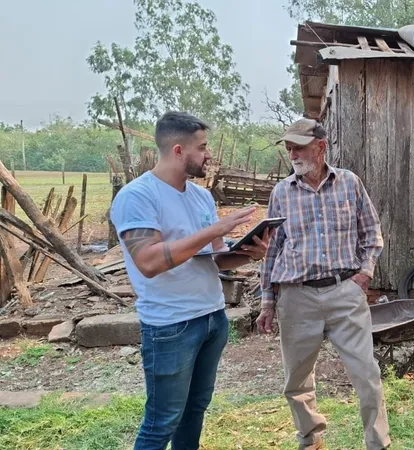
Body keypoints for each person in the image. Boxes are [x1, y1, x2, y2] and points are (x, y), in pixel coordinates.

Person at [110, 111, 270, 450]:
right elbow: (149, 262)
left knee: (195, 409)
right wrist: (216, 229)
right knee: (161, 420)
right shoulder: (137, 196)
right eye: (203, 147)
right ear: (179, 150)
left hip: (212, 317)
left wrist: (248, 252)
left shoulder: (201, 197)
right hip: (170, 325)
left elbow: (216, 258)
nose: (209, 155)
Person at [256, 118, 391, 450]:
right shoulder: (281, 193)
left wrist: (364, 274)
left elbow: (371, 233)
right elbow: (271, 250)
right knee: (297, 381)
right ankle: (310, 440)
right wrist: (267, 301)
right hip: (296, 297)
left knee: (367, 376)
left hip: (345, 292)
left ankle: (378, 444)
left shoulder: (349, 183)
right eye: (288, 148)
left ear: (320, 146)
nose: (292, 153)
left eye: (298, 147)